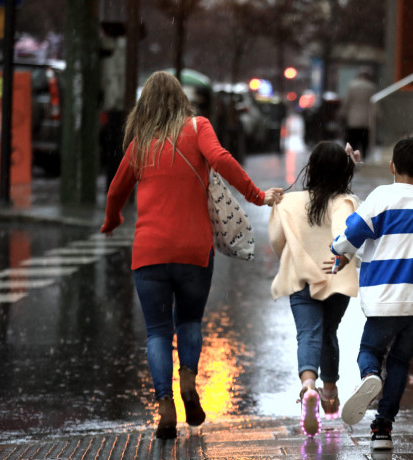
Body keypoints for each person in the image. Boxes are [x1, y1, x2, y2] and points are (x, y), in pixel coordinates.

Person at [100, 71, 284, 439]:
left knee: (156, 332)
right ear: (181, 99)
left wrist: (112, 220)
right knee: (189, 323)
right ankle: (187, 381)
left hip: (149, 252)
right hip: (193, 250)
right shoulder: (198, 128)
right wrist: (257, 195)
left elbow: (116, 191)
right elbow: (222, 160)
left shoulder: (141, 144)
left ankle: (165, 404)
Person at [330, 137, 413, 451]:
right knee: (400, 362)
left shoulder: (381, 198)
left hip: (385, 298)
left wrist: (337, 250)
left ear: (392, 167)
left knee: (369, 351)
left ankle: (370, 376)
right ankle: (382, 428)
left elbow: (353, 233)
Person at [268, 141, 361, 437]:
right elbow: (345, 233)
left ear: (311, 168)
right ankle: (330, 393)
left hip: (302, 278)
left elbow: (277, 241)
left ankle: (309, 385)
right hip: (335, 279)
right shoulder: (345, 201)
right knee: (328, 333)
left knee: (307, 334)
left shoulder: (290, 202)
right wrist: (338, 259)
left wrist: (293, 254)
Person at [339, 69, 377, 160]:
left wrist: (342, 113)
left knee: (353, 142)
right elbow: (374, 104)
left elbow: (347, 102)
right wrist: (377, 116)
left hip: (353, 119)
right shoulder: (371, 87)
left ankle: (352, 160)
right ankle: (362, 159)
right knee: (364, 142)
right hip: (366, 119)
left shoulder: (352, 86)